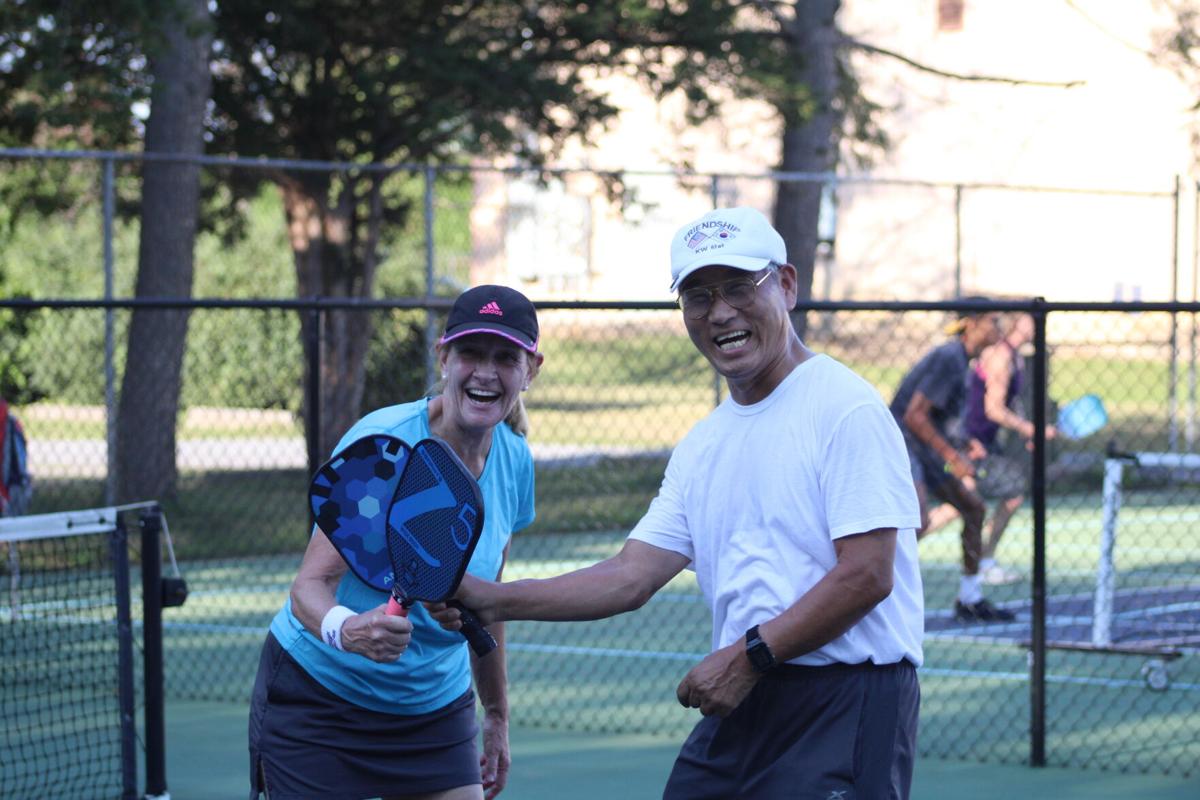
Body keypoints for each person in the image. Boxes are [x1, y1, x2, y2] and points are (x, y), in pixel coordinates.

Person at [431, 207, 924, 799]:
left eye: (740, 288)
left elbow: (868, 574)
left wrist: (748, 656)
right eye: (698, 296)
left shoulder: (845, 408)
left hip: (844, 702)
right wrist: (493, 600)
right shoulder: (703, 445)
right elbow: (629, 575)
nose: (720, 312)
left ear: (787, 286)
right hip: (746, 700)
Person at [248, 284, 544, 800]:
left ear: (531, 370)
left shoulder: (515, 458)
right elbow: (309, 587)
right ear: (444, 357)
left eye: (505, 358)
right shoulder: (384, 446)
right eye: (471, 353)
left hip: (433, 711)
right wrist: (349, 629)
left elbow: (489, 602)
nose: (486, 372)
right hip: (321, 703)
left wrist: (496, 715)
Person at [889, 302, 1015, 623]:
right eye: (993, 321)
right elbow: (914, 415)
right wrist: (952, 457)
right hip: (903, 444)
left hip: (925, 449)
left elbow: (936, 417)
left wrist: (962, 444)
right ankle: (870, 591)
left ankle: (970, 598)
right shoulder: (949, 358)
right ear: (971, 323)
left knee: (974, 508)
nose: (999, 328)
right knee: (914, 518)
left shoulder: (964, 361)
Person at [962, 310, 1057, 585]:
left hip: (986, 442)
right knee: (968, 502)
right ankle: (983, 562)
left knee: (965, 504)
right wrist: (1031, 429)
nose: (1038, 323)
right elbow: (994, 409)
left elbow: (1007, 406)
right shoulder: (1001, 356)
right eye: (1031, 317)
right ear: (1019, 322)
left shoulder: (1014, 356)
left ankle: (984, 562)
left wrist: (1027, 431)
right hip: (972, 443)